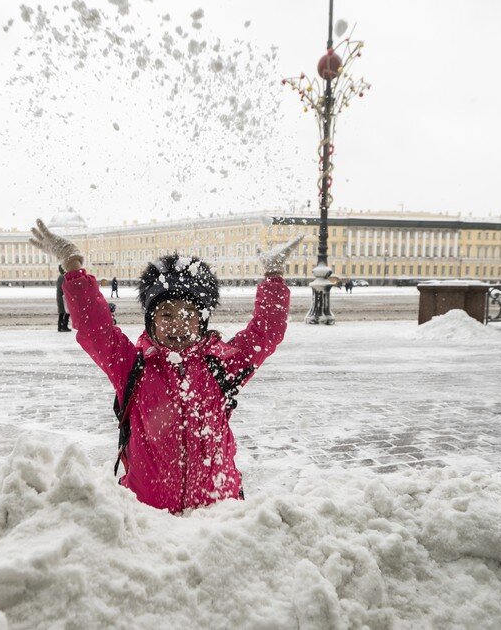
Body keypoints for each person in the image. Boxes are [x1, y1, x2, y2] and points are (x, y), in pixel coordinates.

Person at [30, 218, 301, 513]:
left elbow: (266, 332)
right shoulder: (133, 366)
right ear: (151, 320)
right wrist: (72, 266)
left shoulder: (222, 365)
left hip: (220, 516)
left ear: (203, 320)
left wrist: (274, 275)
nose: (178, 325)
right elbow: (96, 329)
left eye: (188, 314)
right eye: (166, 314)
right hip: (150, 518)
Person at [56, 265, 70, 332]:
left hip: (61, 297)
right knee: (66, 312)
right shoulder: (63, 277)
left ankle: (61, 326)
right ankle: (63, 326)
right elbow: (64, 287)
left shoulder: (61, 277)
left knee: (63, 312)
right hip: (63, 297)